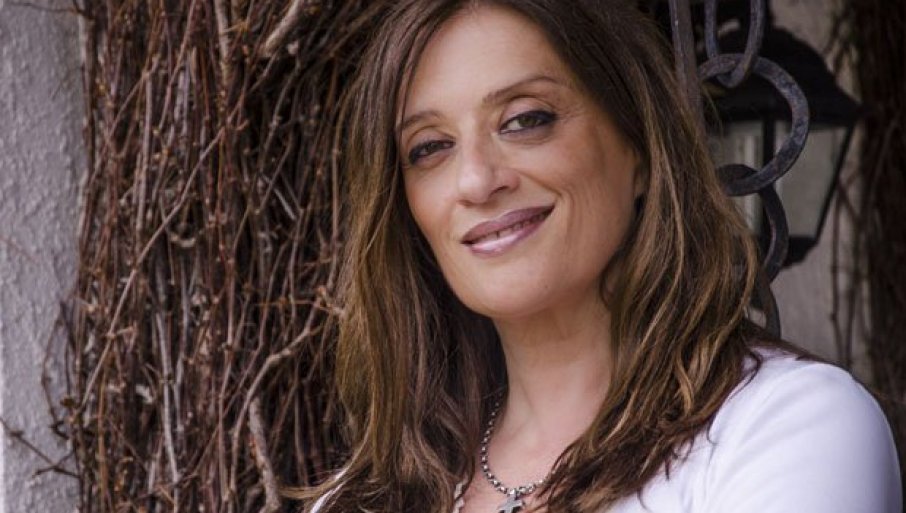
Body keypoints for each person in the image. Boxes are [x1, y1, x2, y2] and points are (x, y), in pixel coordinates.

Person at [297, 0, 902, 511]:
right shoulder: (364, 497)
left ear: (637, 144)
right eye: (429, 148)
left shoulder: (786, 426)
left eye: (525, 120)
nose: (476, 181)